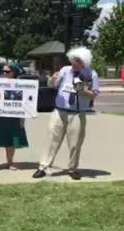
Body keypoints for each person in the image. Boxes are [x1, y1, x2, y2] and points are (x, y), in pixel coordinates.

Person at [33, 47, 100, 180]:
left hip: (77, 113)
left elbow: (94, 95)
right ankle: (44, 167)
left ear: (84, 61)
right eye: (73, 59)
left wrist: (82, 90)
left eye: (77, 60)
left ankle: (72, 169)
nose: (74, 62)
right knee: (52, 139)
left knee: (75, 143)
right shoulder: (65, 70)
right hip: (59, 111)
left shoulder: (91, 74)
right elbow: (52, 85)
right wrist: (52, 79)